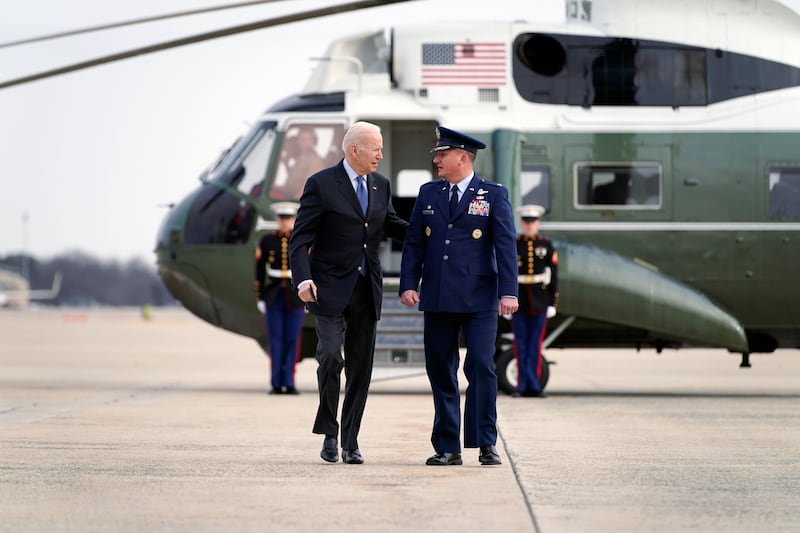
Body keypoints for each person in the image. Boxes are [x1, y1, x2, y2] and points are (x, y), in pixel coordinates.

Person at [288, 121, 407, 465]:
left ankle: (350, 441)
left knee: (360, 367)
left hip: (366, 289)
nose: (380, 154)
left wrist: (433, 232)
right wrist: (303, 280)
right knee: (330, 357)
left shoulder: (381, 185)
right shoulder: (322, 184)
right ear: (355, 149)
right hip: (327, 289)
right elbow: (299, 240)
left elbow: (392, 225)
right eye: (376, 148)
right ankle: (329, 431)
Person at [399, 126, 518, 467]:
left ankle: (485, 443)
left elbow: (505, 245)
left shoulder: (492, 194)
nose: (436, 160)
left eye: (443, 154)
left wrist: (509, 291)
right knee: (440, 368)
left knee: (480, 366)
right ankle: (447, 447)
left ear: (462, 157)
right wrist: (409, 283)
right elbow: (414, 243)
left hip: (480, 297)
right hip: (437, 295)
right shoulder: (429, 193)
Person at [255, 201, 305, 395]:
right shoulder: (267, 240)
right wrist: (260, 296)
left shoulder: (300, 240)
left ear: (293, 220)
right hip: (273, 294)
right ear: (277, 220)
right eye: (282, 218)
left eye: (288, 218)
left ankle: (289, 382)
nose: (284, 222)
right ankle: (276, 382)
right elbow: (260, 270)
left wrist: (307, 295)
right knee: (275, 340)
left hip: (295, 295)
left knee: (293, 339)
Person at [512, 205, 559, 398]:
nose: (529, 225)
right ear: (521, 223)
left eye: (533, 222)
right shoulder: (514, 244)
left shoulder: (546, 245)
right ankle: (522, 385)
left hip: (540, 302)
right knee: (520, 345)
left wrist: (552, 303)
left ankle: (534, 385)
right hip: (519, 302)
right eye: (526, 222)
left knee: (535, 345)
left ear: (538, 223)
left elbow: (553, 275)